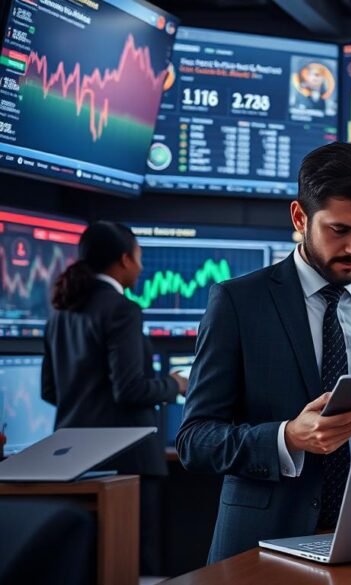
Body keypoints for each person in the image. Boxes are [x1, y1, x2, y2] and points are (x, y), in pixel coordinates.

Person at [176, 142, 351, 563]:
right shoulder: (237, 303)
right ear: (300, 217)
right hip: (261, 547)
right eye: (339, 230)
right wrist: (287, 438)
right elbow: (195, 440)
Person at [42, 221, 188, 575]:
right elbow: (131, 390)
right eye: (139, 257)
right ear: (124, 260)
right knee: (134, 565)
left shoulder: (60, 311)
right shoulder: (121, 309)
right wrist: (175, 385)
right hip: (129, 462)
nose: (141, 267)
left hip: (72, 461)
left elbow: (49, 391)